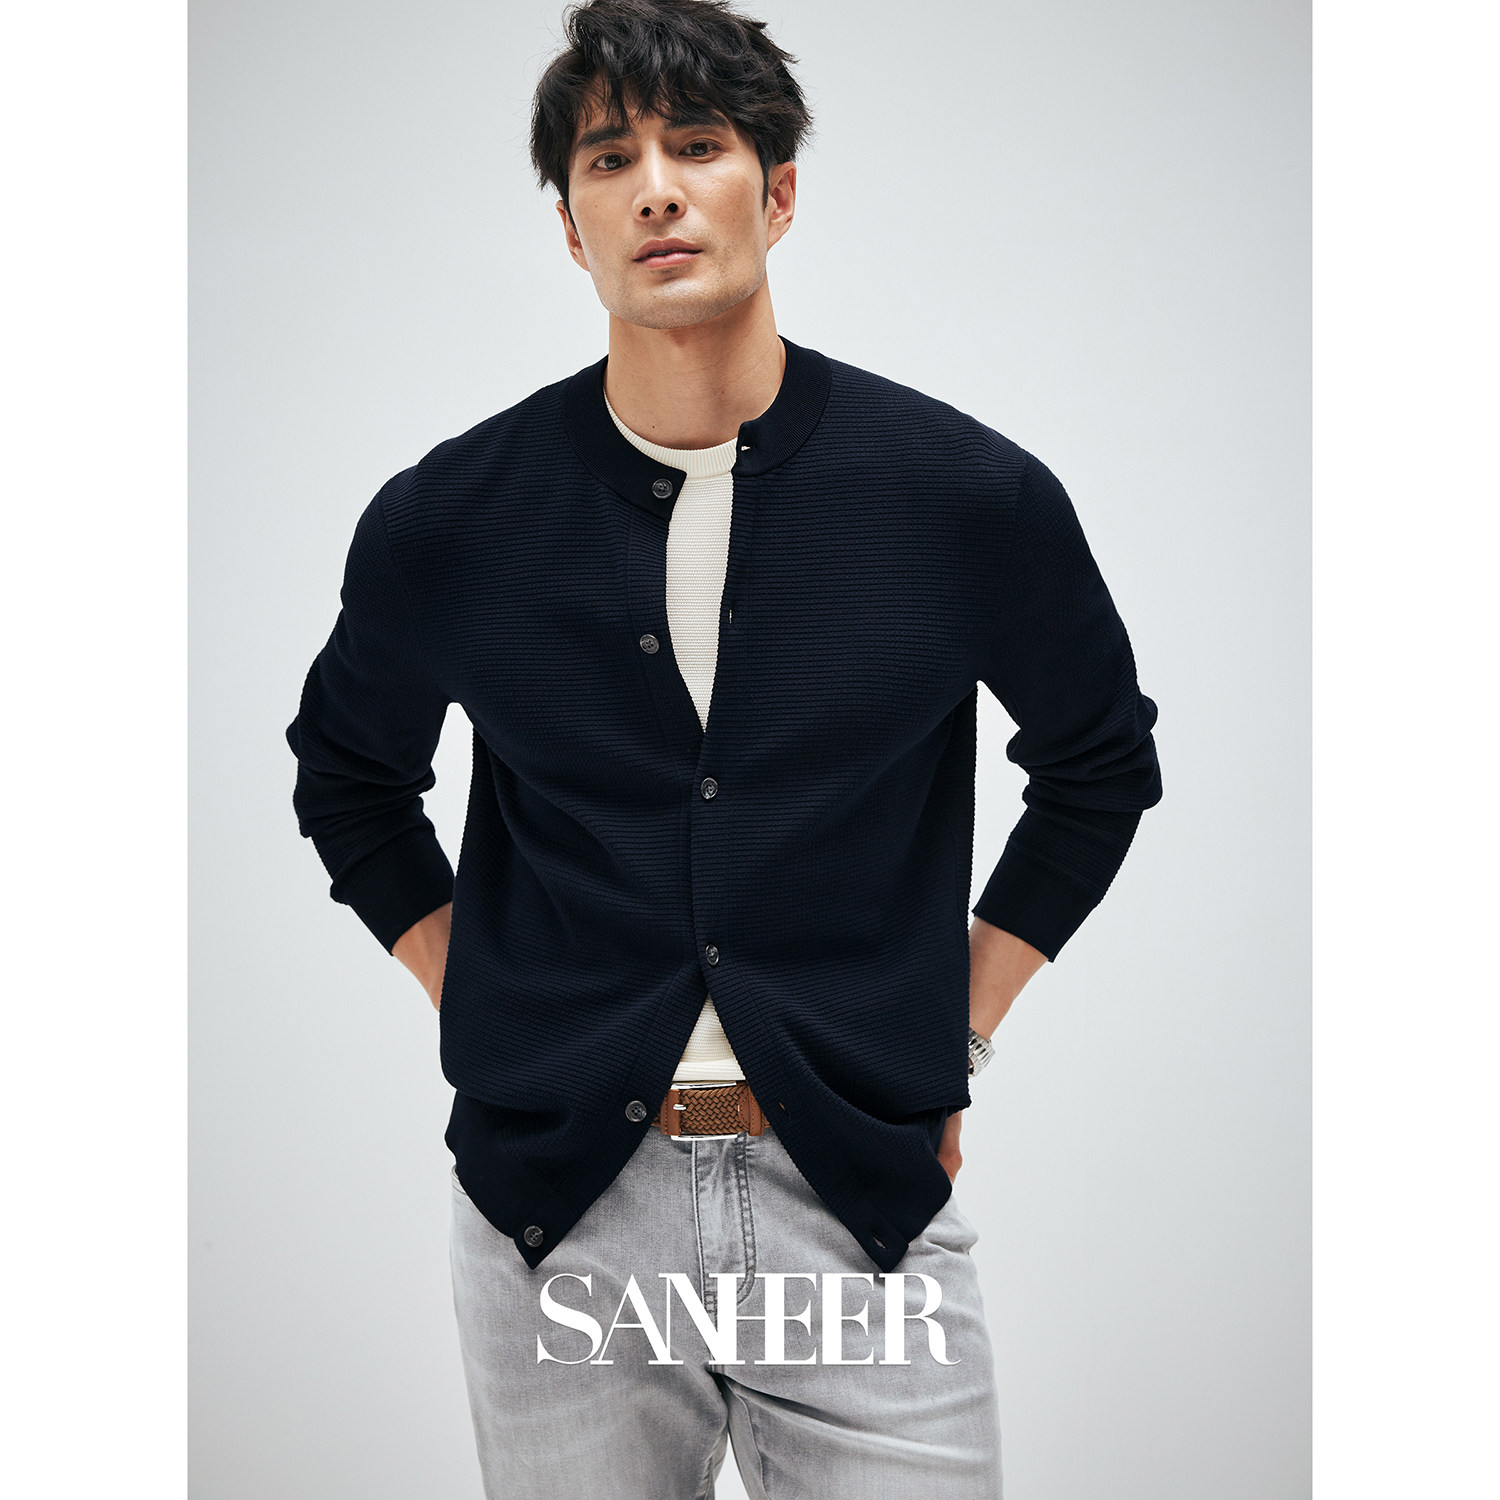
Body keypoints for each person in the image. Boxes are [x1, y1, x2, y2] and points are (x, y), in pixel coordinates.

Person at [284, 0, 1163, 1494]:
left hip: (855, 1201)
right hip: (561, 1217)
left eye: (698, 146)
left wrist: (951, 1030)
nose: (656, 190)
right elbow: (348, 778)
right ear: (569, 225)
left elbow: (1100, 766)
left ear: (782, 188)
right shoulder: (455, 520)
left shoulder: (963, 500)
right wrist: (473, 985)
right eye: (608, 158)